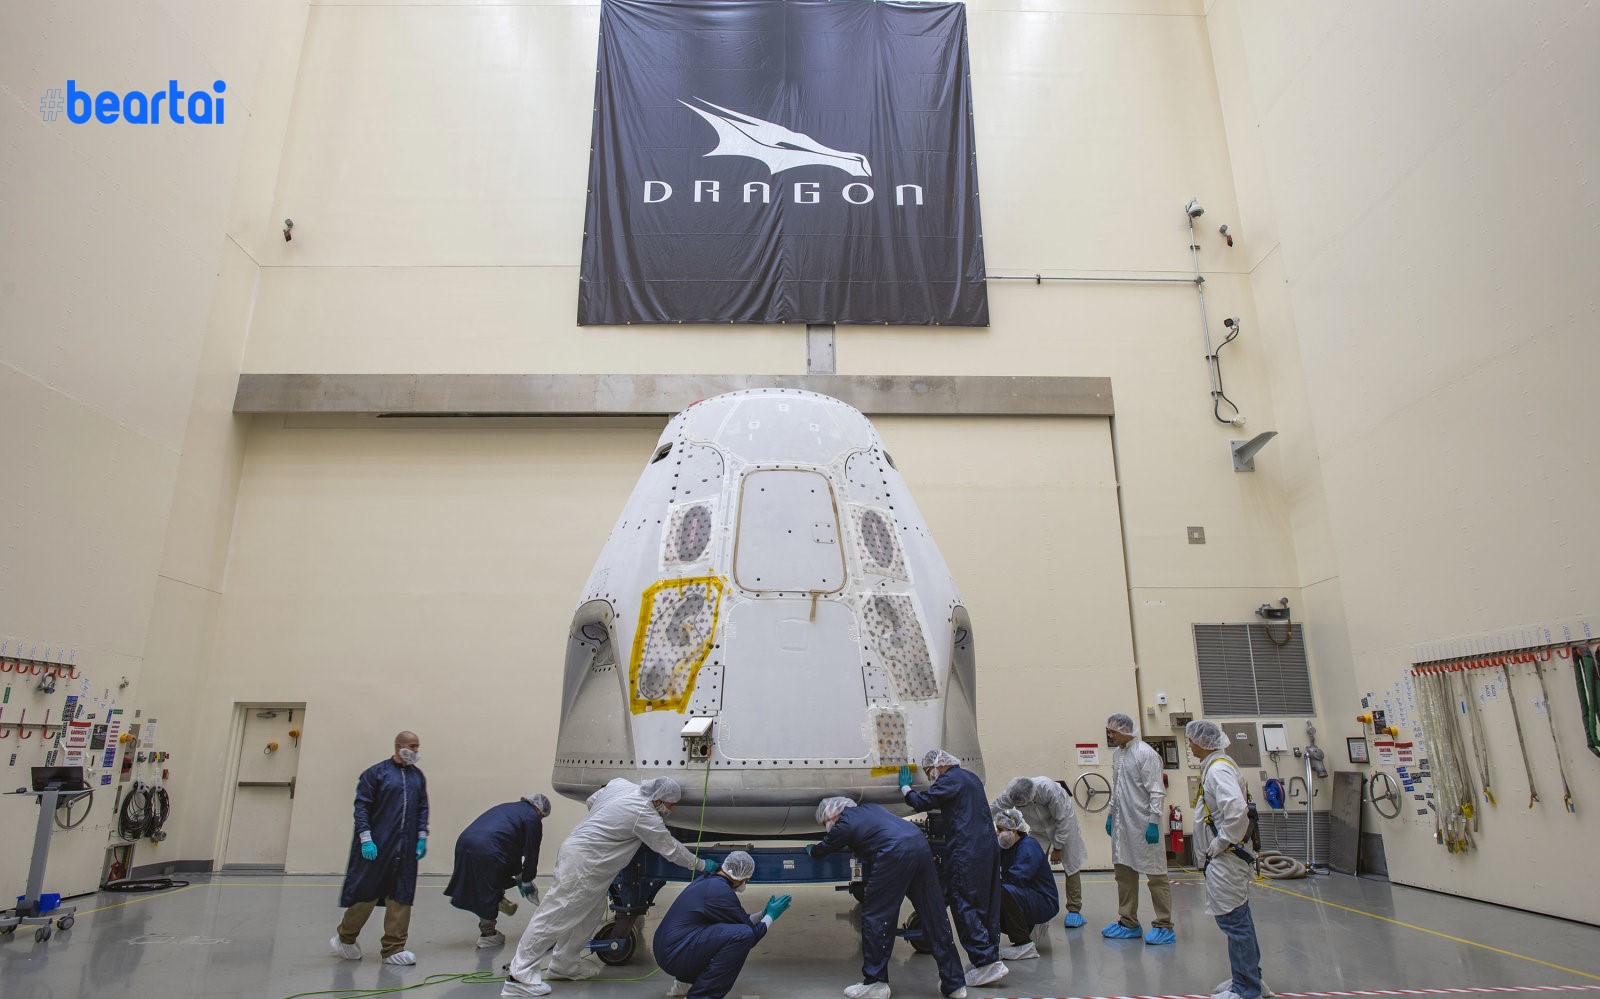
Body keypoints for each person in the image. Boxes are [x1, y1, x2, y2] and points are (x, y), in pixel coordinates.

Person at [501, 777, 720, 998]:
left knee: (591, 912)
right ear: (657, 800)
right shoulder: (644, 815)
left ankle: (564, 964)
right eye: (671, 805)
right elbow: (670, 849)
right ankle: (519, 974)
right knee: (555, 915)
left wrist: (610, 824)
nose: (671, 810)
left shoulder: (620, 785)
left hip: (584, 856)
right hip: (585, 863)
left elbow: (591, 800)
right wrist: (701, 864)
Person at [806, 797, 968, 999]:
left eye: (825, 822)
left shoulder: (844, 823)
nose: (826, 825)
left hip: (894, 854)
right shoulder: (872, 807)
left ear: (833, 814)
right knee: (934, 915)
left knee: (877, 915)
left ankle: (876, 982)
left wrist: (813, 850)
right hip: (918, 844)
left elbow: (825, 847)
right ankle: (955, 984)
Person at [901, 750, 1005, 987]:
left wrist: (906, 790)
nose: (931, 777)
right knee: (986, 904)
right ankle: (991, 956)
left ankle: (984, 962)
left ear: (938, 765)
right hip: (987, 848)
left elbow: (924, 801)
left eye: (930, 772)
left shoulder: (950, 780)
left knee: (964, 903)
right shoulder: (971, 778)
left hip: (965, 850)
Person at [1186, 720, 1274, 999]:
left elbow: (1236, 810)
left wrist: (1221, 842)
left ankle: (1246, 988)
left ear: (1201, 742)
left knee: (1235, 923)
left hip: (1227, 858)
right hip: (1225, 858)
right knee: (1239, 920)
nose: (1188, 745)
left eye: (1190, 740)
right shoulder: (1217, 765)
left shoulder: (1218, 769)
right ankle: (1249, 979)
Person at [331, 730, 430, 966]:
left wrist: (421, 835)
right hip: (378, 844)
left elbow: (422, 807)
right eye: (412, 746)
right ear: (399, 746)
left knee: (401, 895)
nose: (416, 751)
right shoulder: (376, 774)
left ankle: (394, 948)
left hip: (405, 848)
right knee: (367, 893)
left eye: (418, 747)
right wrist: (366, 838)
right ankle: (345, 937)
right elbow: (362, 806)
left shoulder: (417, 776)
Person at [653, 850, 792, 999]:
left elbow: (739, 920)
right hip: (675, 956)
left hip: (669, 950)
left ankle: (686, 984)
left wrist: (762, 915)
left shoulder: (708, 881)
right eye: (746, 879)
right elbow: (749, 935)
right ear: (740, 877)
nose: (745, 883)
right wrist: (771, 916)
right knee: (742, 936)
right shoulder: (721, 892)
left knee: (728, 932)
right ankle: (701, 996)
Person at [1102, 712, 1174, 945]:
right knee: (1123, 873)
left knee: (1155, 875)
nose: (1110, 735)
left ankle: (1164, 924)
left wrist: (1154, 821)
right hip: (1123, 824)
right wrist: (1112, 815)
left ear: (1125, 730)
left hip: (1143, 824)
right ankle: (1128, 921)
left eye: (1113, 731)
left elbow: (1156, 790)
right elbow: (1117, 787)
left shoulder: (1146, 753)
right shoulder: (1117, 754)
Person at [445, 794, 552, 948]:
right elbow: (531, 852)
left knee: (484, 880)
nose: (540, 820)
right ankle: (488, 935)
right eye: (542, 817)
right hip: (488, 848)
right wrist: (527, 879)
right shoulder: (532, 817)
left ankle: (498, 900)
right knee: (489, 886)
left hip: (464, 843)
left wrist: (520, 875)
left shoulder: (509, 808)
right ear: (539, 810)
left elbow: (509, 846)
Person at [992, 775, 1089, 928]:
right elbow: (995, 807)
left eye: (1023, 805)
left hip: (1063, 826)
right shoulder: (1012, 794)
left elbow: (1063, 819)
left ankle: (1074, 910)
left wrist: (1058, 847)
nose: (1020, 806)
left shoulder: (1047, 789)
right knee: (1031, 864)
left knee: (1071, 865)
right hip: (1038, 830)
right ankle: (1035, 903)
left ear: (1031, 797)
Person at [993, 808, 1059, 960]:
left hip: (1044, 901)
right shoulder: (1006, 847)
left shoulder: (1028, 846)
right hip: (1027, 897)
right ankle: (1025, 931)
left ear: (1015, 830)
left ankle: (1024, 944)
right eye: (997, 829)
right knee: (996, 895)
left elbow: (1017, 878)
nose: (998, 833)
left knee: (1002, 892)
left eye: (1001, 829)